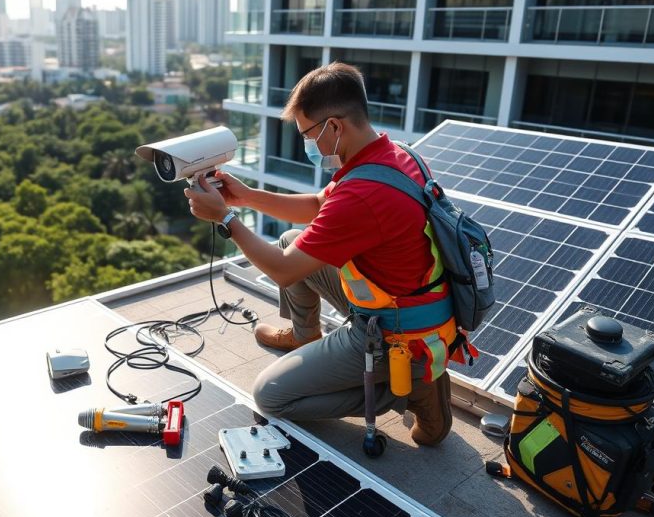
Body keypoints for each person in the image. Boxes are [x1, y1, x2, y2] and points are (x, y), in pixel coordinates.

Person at [184, 62, 455, 446]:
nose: (308, 144)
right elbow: (317, 205)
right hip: (410, 303)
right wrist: (244, 197)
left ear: (335, 126)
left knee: (271, 395)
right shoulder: (391, 155)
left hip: (396, 333)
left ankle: (409, 390)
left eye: (308, 134)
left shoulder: (363, 195)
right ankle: (304, 337)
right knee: (291, 239)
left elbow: (283, 271)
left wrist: (226, 219)